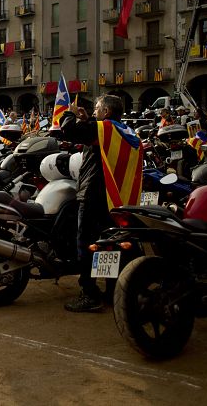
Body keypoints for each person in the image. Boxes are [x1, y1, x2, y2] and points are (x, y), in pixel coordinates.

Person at [60, 94, 126, 312]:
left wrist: (69, 112)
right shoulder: (122, 130)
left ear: (106, 112)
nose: (96, 112)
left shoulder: (103, 129)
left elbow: (69, 131)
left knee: (87, 245)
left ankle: (89, 294)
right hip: (115, 197)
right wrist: (87, 119)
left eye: (98, 109)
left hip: (93, 195)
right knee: (109, 245)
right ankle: (110, 290)